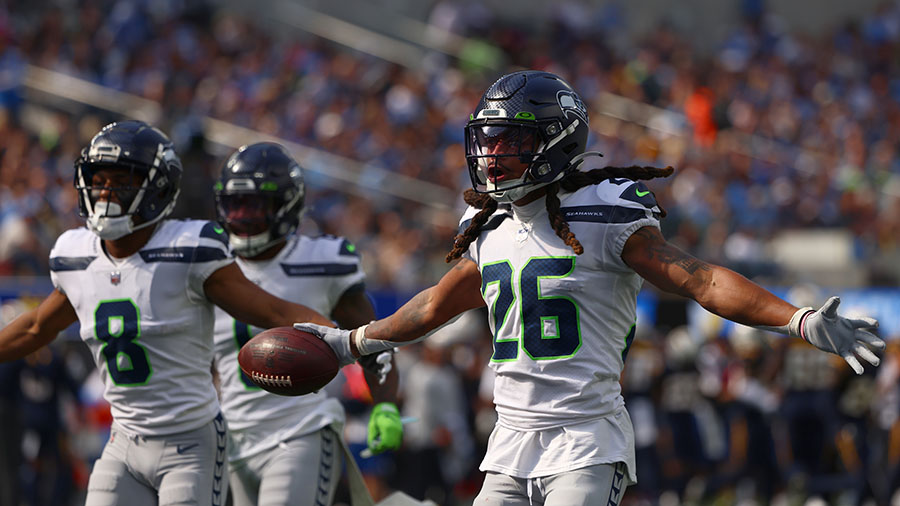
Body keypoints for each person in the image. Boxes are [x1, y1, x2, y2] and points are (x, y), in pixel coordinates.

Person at [295, 70, 886, 506]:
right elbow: (434, 303)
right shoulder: (489, 225)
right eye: (489, 138)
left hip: (584, 440)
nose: (492, 154)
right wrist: (352, 341)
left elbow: (701, 279)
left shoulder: (605, 213)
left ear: (556, 141)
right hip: (508, 441)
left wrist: (799, 320)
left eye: (512, 140)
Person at [0, 120, 333, 506]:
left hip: (190, 441)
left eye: (120, 180)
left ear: (156, 188)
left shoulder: (189, 249)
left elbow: (271, 309)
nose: (105, 191)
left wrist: (345, 339)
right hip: (123, 441)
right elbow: (37, 327)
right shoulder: (76, 254)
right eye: (99, 179)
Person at [211, 142, 402, 506]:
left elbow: (371, 340)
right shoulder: (211, 265)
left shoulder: (322, 260)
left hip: (301, 427)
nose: (241, 216)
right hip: (232, 435)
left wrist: (385, 403)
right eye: (235, 204)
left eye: (254, 205)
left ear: (286, 204)